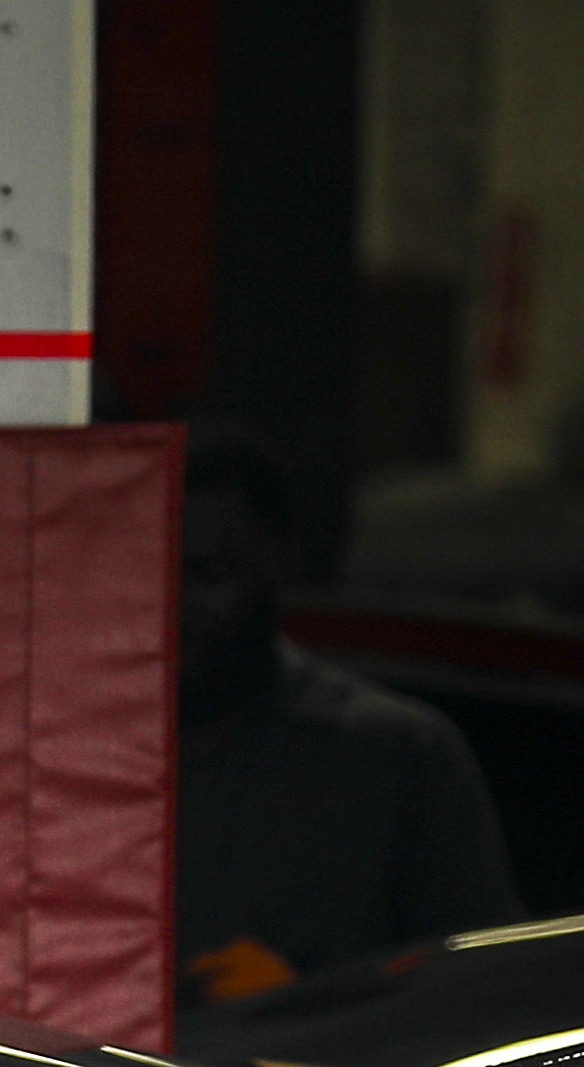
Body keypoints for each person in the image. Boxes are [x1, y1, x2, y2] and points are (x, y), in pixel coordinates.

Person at [173, 421, 515, 1011]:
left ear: (279, 563)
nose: (172, 604)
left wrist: (305, 1006)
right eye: (146, 572)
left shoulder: (395, 757)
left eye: (206, 574)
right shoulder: (62, 753)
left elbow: (488, 999)